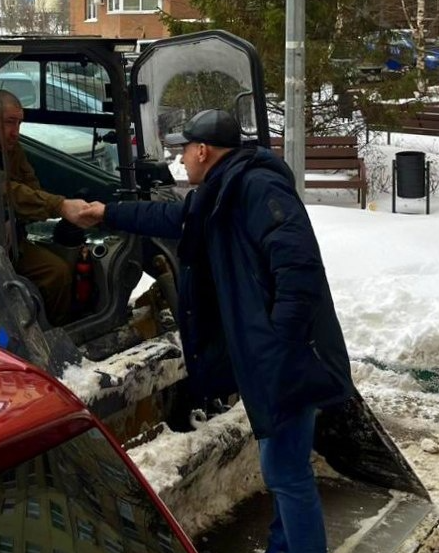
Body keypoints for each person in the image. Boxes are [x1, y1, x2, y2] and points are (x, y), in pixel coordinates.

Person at [74, 109, 353, 553]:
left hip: (285, 355)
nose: (181, 160)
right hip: (272, 352)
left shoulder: (257, 188)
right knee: (287, 468)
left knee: (287, 472)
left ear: (203, 150)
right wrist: (107, 212)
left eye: (183, 150)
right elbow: (170, 218)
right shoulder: (224, 191)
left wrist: (278, 340)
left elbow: (298, 265)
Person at [0, 89, 88, 323]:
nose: (15, 132)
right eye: (9, 123)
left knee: (57, 272)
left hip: (10, 240)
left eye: (19, 123)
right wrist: (60, 206)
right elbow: (3, 190)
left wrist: (15, 218)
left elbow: (31, 186)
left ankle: (54, 333)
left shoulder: (12, 150)